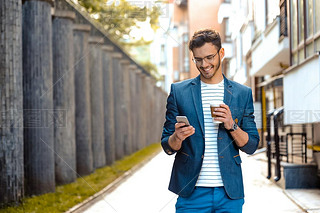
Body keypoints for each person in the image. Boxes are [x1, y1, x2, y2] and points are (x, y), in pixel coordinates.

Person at [161, 29, 260, 213]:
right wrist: (177, 137)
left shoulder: (242, 93)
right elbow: (167, 145)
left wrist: (232, 125)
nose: (204, 64)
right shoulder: (178, 92)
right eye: (198, 59)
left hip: (229, 193)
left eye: (209, 57)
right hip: (191, 193)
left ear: (221, 53)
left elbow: (252, 145)